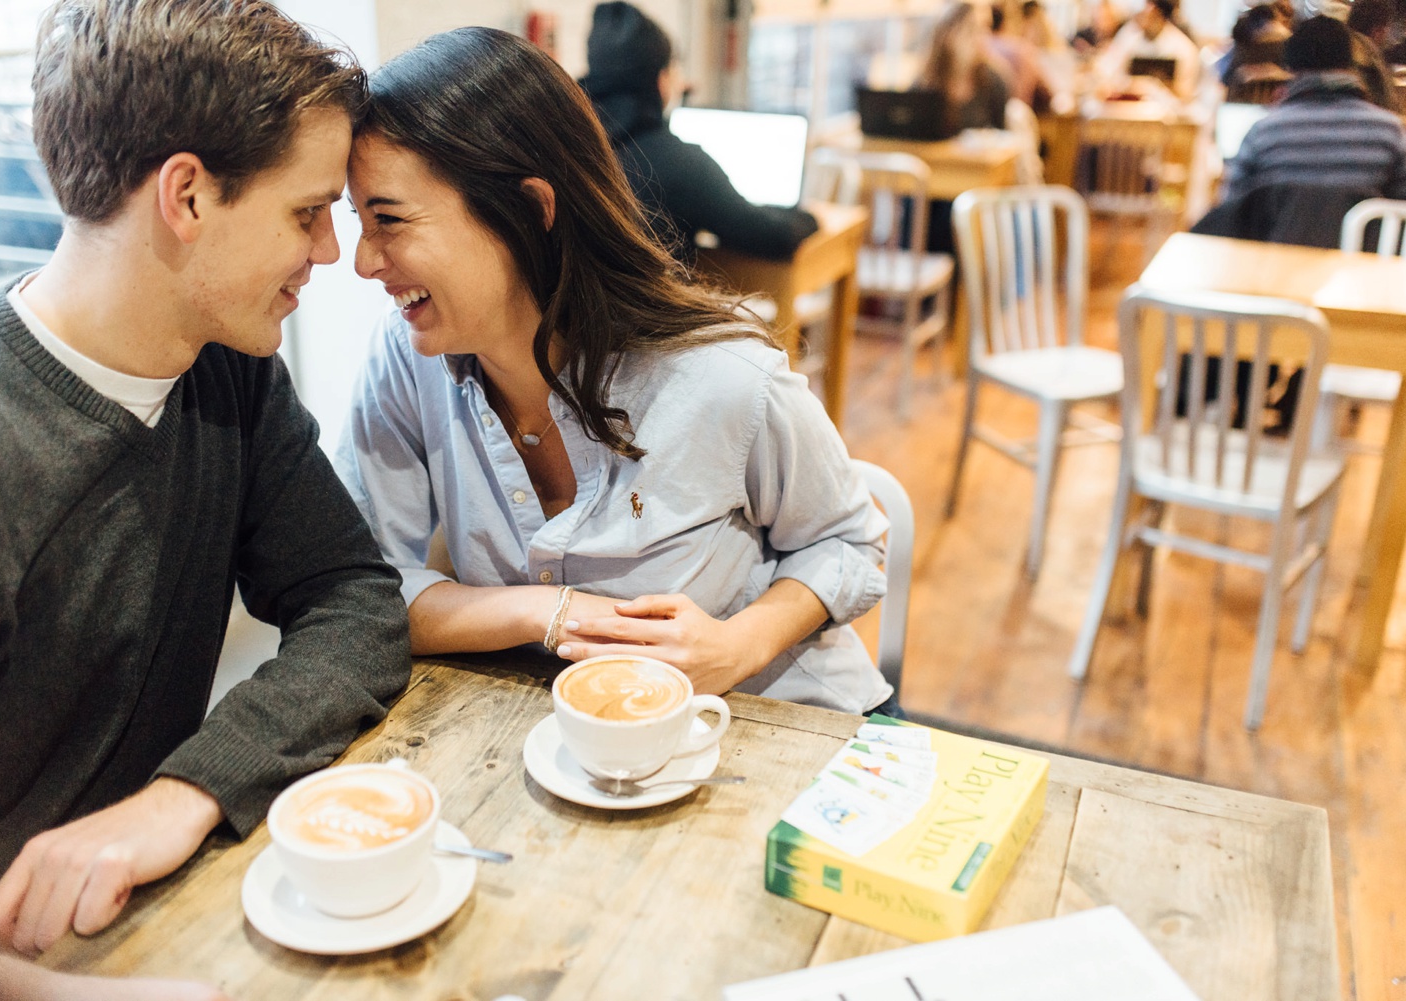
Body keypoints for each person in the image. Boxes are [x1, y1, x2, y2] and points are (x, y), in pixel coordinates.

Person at [0, 1, 411, 996]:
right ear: (186, 196)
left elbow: (353, 597)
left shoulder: (225, 369)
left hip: (158, 909)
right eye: (306, 211)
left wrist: (188, 787)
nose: (329, 252)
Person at [334, 28, 896, 718]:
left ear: (531, 209)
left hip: (787, 727)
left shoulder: (719, 375)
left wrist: (733, 647)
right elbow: (363, 587)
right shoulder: (408, 358)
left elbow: (850, 537)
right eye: (356, 218)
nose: (363, 261)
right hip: (595, 739)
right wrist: (545, 610)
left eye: (387, 219)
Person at [579, 1, 817, 264]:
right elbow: (771, 237)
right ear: (661, 81)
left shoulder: (569, 141)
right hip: (654, 305)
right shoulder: (679, 162)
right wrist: (809, 219)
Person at [1223, 15, 1406, 202]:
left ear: (1291, 68)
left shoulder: (1263, 133)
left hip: (1277, 235)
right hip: (1357, 237)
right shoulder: (1390, 133)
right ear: (1350, 64)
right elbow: (1405, 215)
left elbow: (1232, 210)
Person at [919, 2, 1012, 131]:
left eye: (986, 28)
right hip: (933, 151)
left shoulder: (994, 82)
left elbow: (1002, 138)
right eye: (973, 30)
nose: (982, 37)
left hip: (981, 151)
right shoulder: (925, 81)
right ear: (948, 33)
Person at [1097, 0, 1202, 102]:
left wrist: (1159, 87)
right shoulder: (1129, 35)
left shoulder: (1183, 49)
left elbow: (1185, 94)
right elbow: (1108, 73)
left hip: (1166, 112)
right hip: (1127, 106)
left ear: (1158, 12)